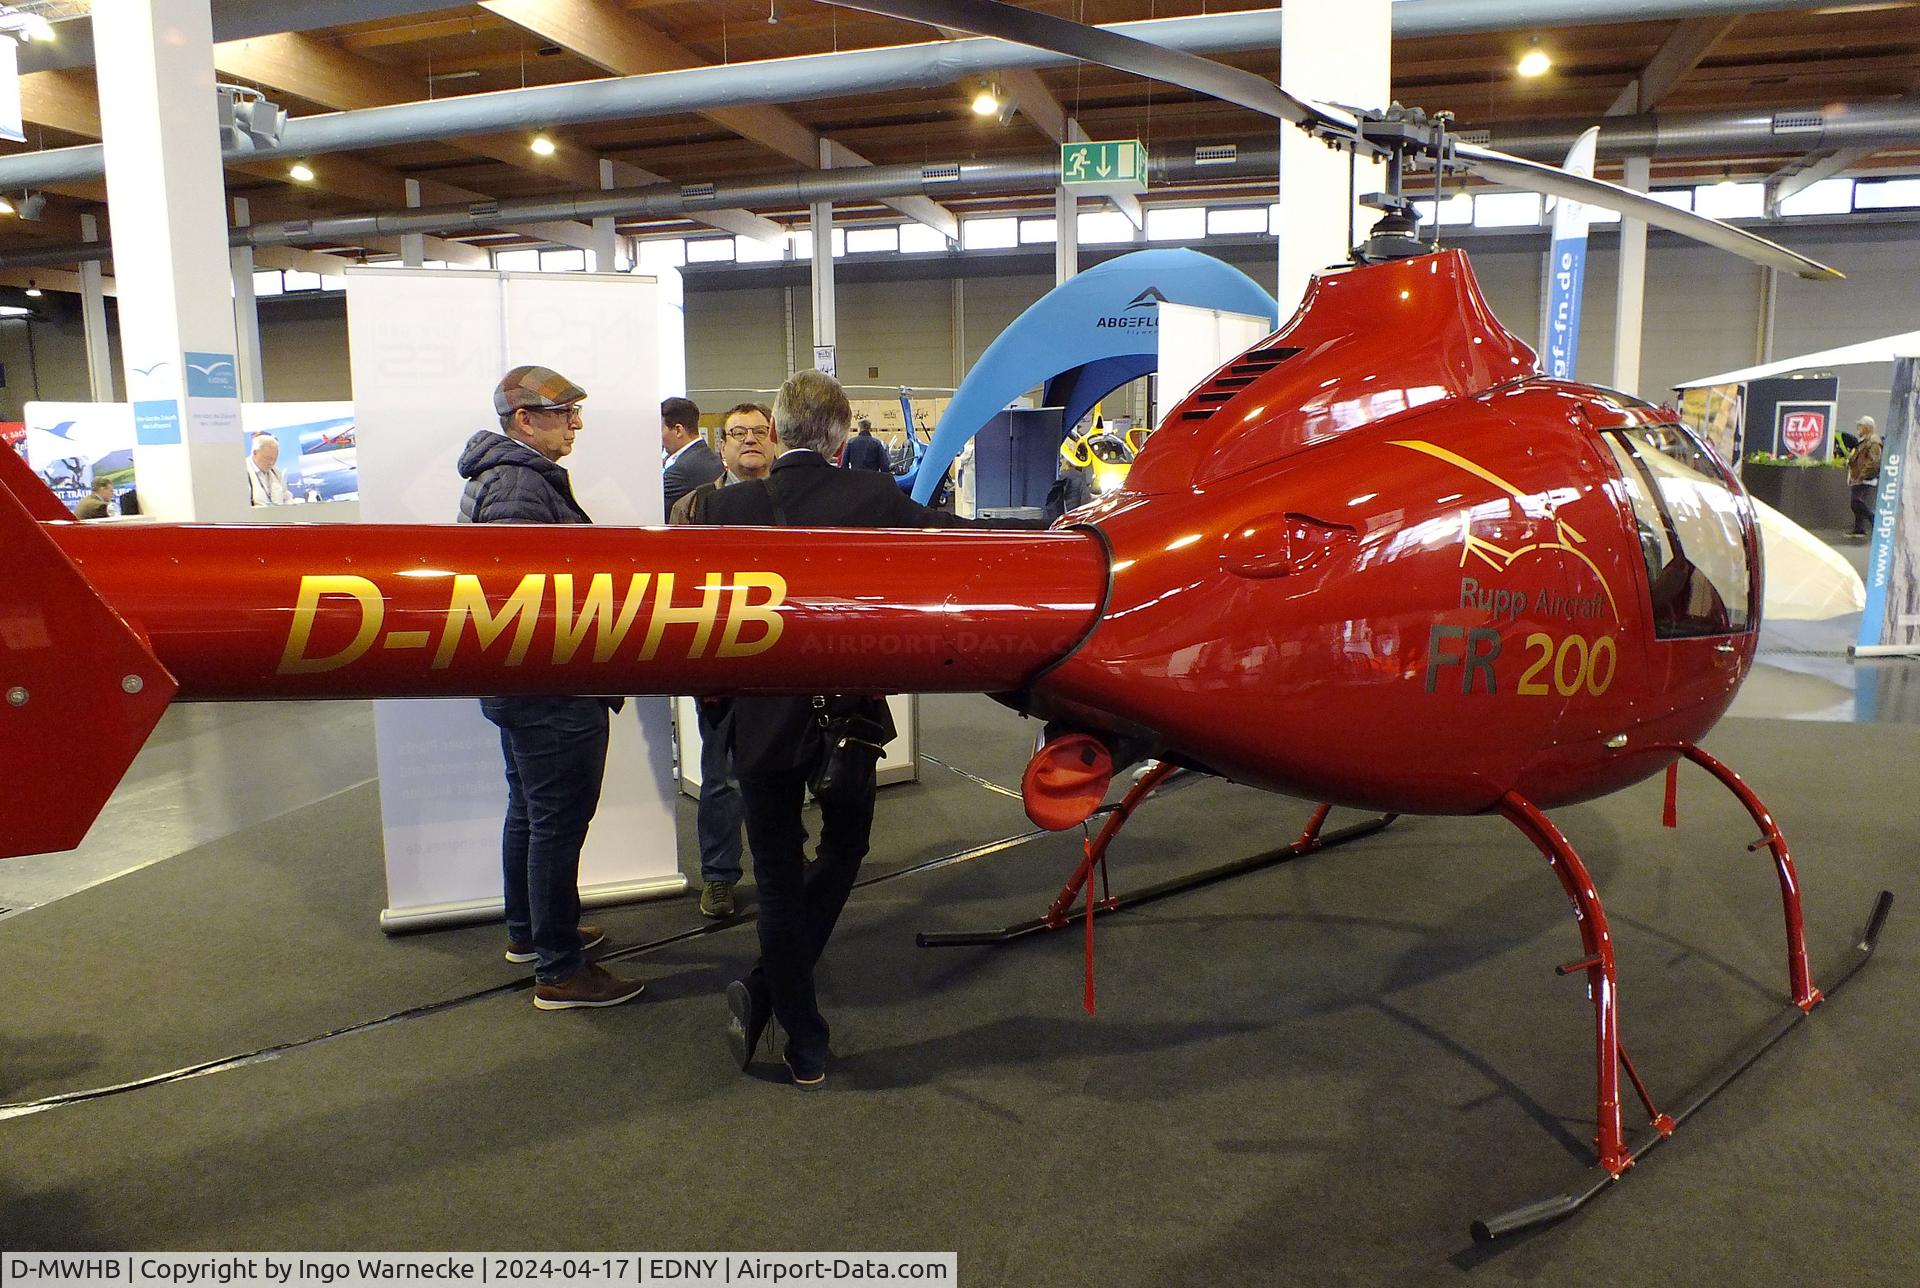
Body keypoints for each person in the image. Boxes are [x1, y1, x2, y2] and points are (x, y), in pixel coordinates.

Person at [703, 370, 977, 1088]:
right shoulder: (871, 497)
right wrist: (1072, 529)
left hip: (758, 722)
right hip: (844, 722)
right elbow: (960, 542)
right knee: (847, 846)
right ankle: (774, 996)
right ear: (839, 434)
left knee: (778, 877)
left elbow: (697, 623)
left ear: (780, 429)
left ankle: (802, 1035)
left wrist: (718, 714)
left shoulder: (722, 508)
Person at [457, 364, 649, 1011]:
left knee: (532, 815)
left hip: (524, 691)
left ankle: (534, 934)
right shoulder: (516, 486)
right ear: (524, 420)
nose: (577, 425)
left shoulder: (507, 479)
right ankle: (560, 969)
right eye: (564, 414)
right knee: (556, 826)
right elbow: (524, 603)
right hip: (550, 690)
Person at [667, 401, 777, 918]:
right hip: (722, 658)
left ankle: (785, 864)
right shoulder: (693, 507)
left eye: (760, 431)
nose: (750, 440)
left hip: (784, 660)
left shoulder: (791, 499)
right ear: (722, 445)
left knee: (786, 771)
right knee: (722, 777)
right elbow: (678, 582)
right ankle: (718, 876)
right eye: (739, 433)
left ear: (775, 440)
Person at [661, 396, 724, 511]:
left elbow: (653, 508)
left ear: (678, 430)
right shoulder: (709, 457)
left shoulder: (680, 470)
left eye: (660, 430)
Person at [1848, 415, 1883, 539]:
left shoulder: (1873, 441)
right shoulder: (1864, 440)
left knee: (1856, 502)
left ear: (1867, 427)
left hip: (1866, 478)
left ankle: (1874, 520)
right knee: (1856, 502)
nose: (1858, 428)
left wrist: (1862, 475)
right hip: (1859, 477)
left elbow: (1874, 461)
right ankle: (1859, 528)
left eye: (1860, 425)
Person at [247, 434, 294, 507]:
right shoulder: (243, 471)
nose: (271, 463)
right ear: (255, 453)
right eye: (268, 458)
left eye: (274, 459)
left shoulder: (276, 472)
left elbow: (286, 497)